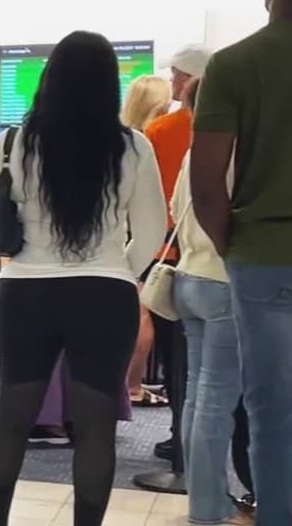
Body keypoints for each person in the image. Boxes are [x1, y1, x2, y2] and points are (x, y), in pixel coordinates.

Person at [0, 31, 166, 526]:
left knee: (12, 419)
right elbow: (153, 231)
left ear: (49, 81)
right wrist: (116, 271)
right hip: (105, 294)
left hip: (27, 290)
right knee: (95, 430)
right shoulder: (133, 147)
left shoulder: (13, 142)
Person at [192, 0, 292, 526]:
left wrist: (234, 245)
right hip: (258, 253)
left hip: (261, 255)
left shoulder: (233, 64)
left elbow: (206, 182)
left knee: (271, 413)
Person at [171, 77, 254, 525]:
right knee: (217, 400)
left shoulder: (192, 153)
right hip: (224, 280)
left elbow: (174, 207)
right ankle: (208, 507)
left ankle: (205, 501)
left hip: (188, 278)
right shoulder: (238, 152)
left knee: (198, 398)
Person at [140, 45, 213, 459]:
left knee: (175, 352)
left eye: (175, 76)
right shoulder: (234, 128)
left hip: (166, 252)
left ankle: (178, 432)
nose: (171, 83)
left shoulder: (159, 132)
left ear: (188, 81)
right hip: (213, 257)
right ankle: (198, 443)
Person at [121, 73, 175, 408]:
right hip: (150, 242)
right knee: (142, 315)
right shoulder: (152, 140)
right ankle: (132, 387)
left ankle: (129, 386)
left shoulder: (123, 141)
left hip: (121, 241)